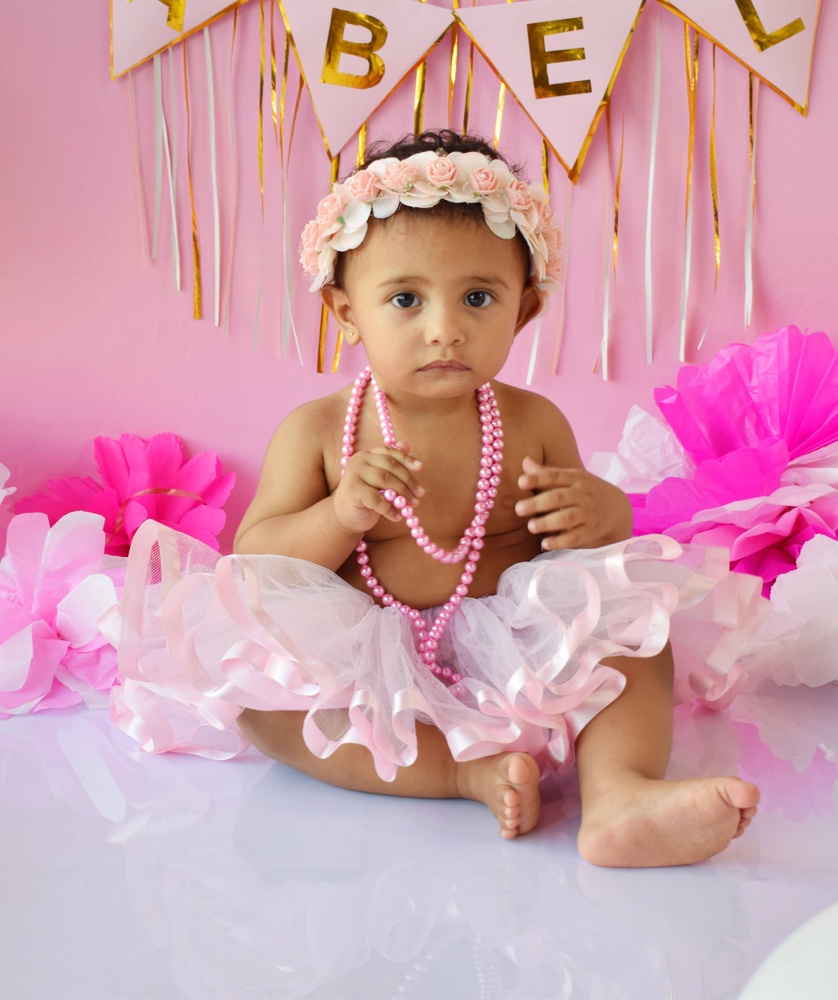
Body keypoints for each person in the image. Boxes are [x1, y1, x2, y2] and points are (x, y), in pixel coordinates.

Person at [111, 130, 765, 868]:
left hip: (514, 658)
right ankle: (460, 772)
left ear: (524, 310)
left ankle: (619, 793)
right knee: (266, 709)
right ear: (345, 311)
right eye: (405, 299)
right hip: (366, 663)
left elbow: (587, 554)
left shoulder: (532, 423)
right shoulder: (320, 431)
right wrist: (339, 515)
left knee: (635, 631)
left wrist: (601, 514)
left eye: (478, 298)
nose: (444, 329)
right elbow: (259, 558)